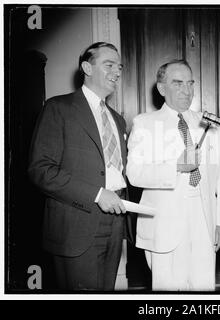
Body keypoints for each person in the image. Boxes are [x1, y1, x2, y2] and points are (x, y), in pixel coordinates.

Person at [28, 42, 134, 291]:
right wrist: (97, 194)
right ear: (87, 67)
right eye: (109, 65)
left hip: (116, 222)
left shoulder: (117, 119)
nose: (117, 72)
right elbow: (40, 170)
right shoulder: (58, 108)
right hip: (76, 226)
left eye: (119, 66)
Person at [126, 59, 220, 291]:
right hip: (164, 225)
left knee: (204, 288)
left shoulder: (209, 124)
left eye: (190, 83)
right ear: (162, 88)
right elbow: (134, 174)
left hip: (204, 221)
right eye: (178, 83)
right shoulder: (145, 123)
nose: (187, 90)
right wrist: (176, 166)